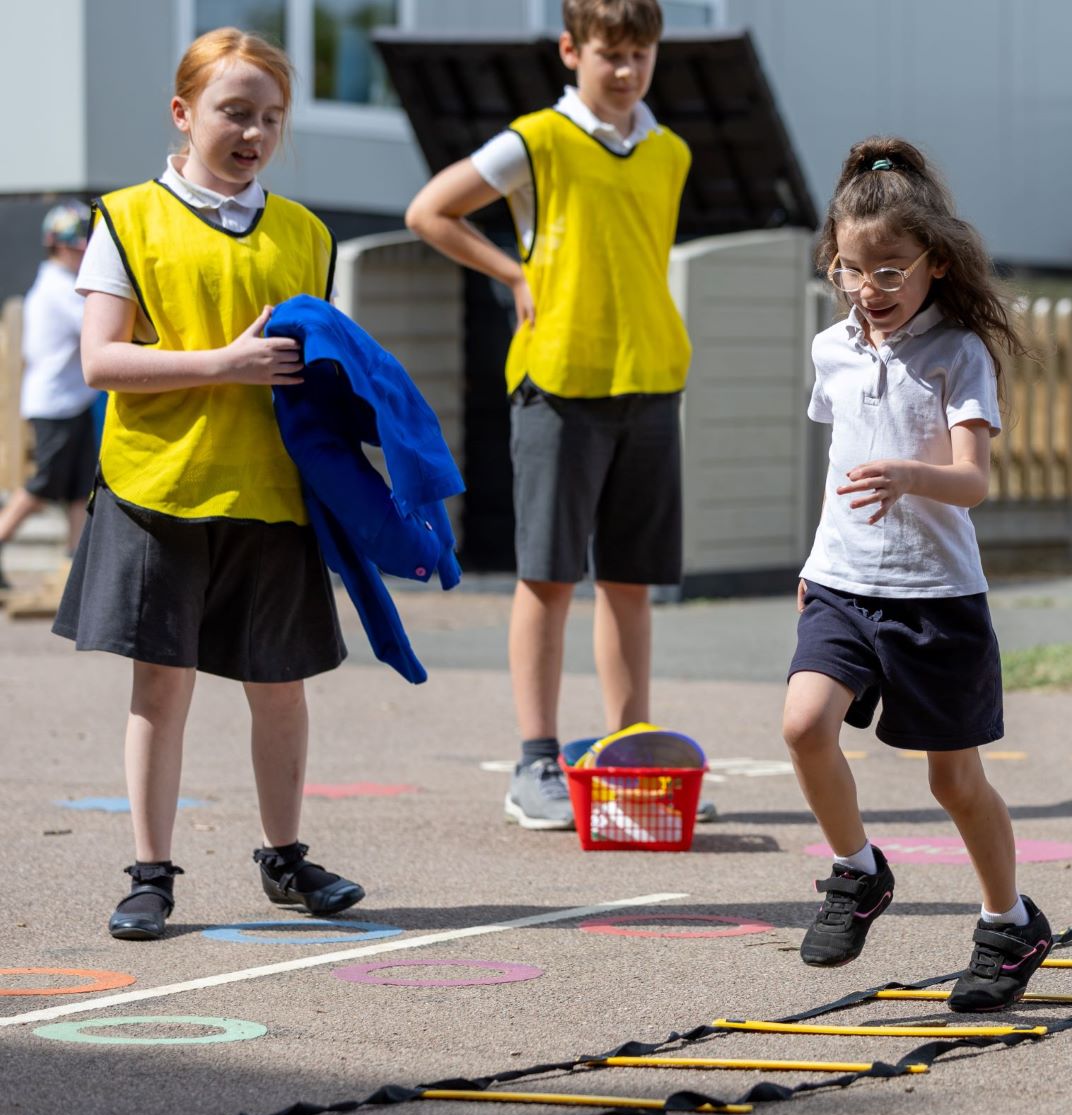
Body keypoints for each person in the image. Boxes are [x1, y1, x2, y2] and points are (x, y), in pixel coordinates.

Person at [62, 27, 364, 941]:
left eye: (271, 117)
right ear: (183, 112)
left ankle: (285, 857)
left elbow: (322, 366)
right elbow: (100, 361)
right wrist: (223, 364)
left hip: (272, 492)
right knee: (162, 686)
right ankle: (150, 874)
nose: (254, 133)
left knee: (282, 683)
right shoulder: (127, 218)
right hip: (159, 490)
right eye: (234, 112)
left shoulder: (308, 233)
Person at [406, 0, 690, 832]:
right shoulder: (536, 139)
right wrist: (513, 273)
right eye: (610, 53)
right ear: (572, 50)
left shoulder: (670, 151)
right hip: (558, 381)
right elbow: (430, 211)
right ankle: (533, 763)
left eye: (640, 54)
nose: (626, 70)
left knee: (631, 581)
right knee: (549, 576)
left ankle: (629, 751)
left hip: (650, 380)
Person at [781, 137, 1051, 1013]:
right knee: (803, 725)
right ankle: (856, 872)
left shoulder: (958, 353)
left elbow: (972, 482)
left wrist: (910, 475)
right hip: (841, 584)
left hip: (934, 598)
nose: (871, 288)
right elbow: (841, 467)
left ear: (936, 261)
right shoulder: (832, 348)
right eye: (852, 270)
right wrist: (815, 563)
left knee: (952, 782)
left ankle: (1010, 923)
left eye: (890, 270)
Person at [0, 202, 101, 588]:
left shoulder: (60, 286)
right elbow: (94, 328)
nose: (83, 256)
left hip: (72, 401)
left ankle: (74, 563)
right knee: (44, 484)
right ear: (59, 246)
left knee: (80, 487)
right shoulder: (59, 289)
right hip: (55, 404)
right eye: (77, 249)